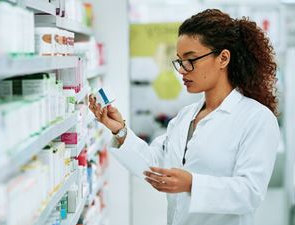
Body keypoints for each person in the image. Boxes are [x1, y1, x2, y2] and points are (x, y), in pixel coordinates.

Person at [88, 9, 280, 225]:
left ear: (223, 58)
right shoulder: (186, 116)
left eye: (191, 60)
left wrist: (192, 184)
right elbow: (155, 166)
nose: (182, 71)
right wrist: (120, 131)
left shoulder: (256, 118)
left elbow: (250, 192)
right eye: (180, 61)